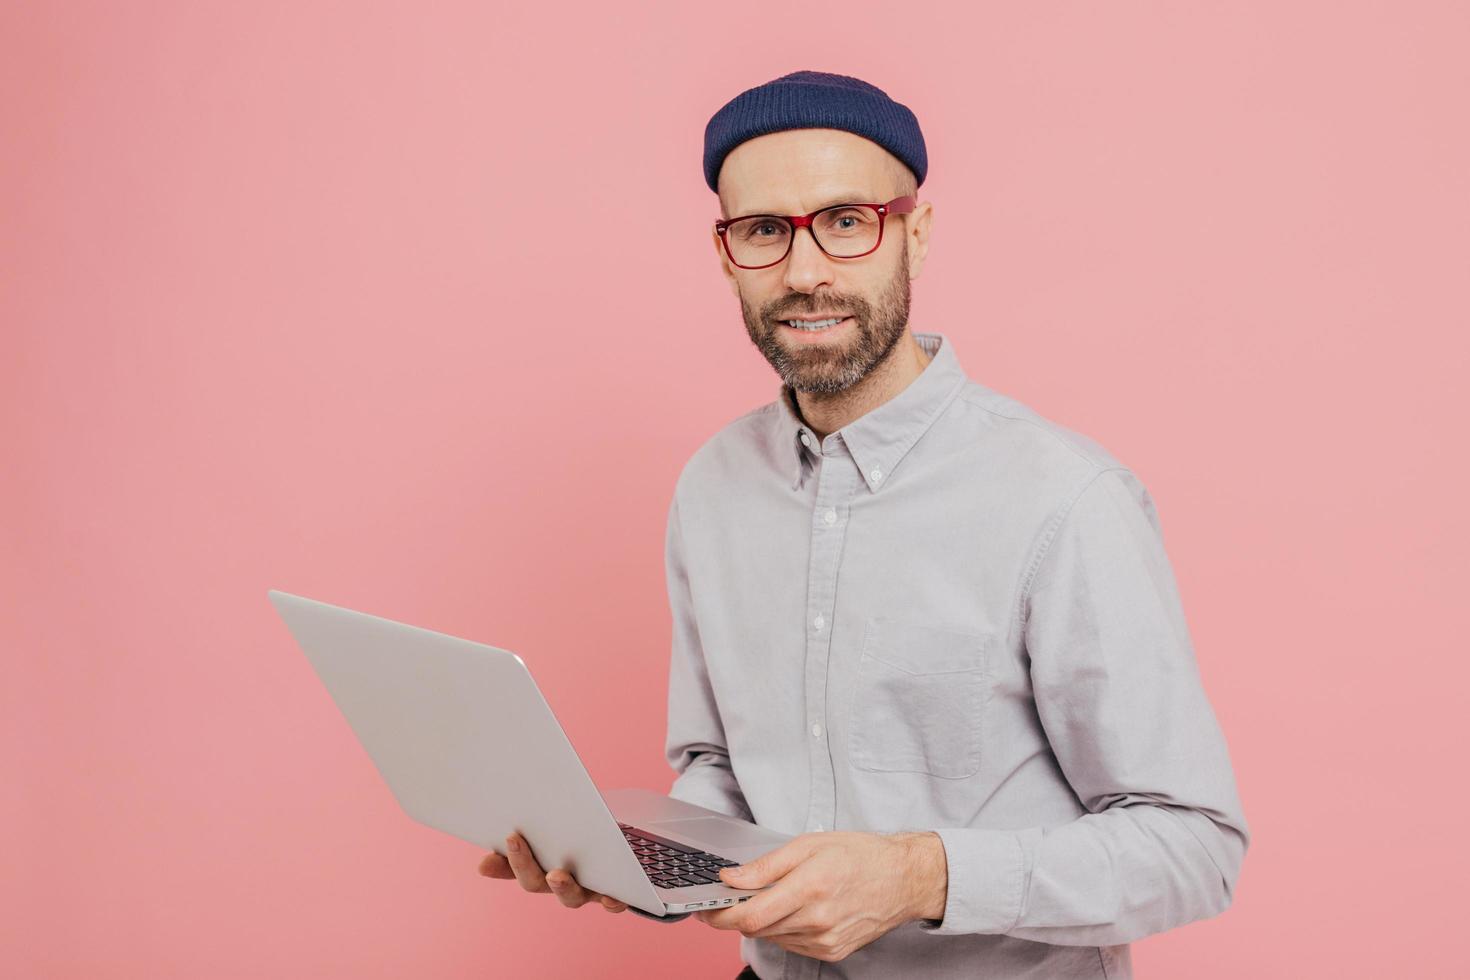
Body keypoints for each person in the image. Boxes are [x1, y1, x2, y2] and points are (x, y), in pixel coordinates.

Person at [478, 70, 1249, 980]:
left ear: (915, 235)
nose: (806, 274)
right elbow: (721, 764)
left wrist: (919, 876)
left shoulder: (1066, 499)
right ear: (726, 255)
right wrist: (643, 858)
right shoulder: (713, 487)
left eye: (847, 222)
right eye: (765, 231)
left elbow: (1195, 847)